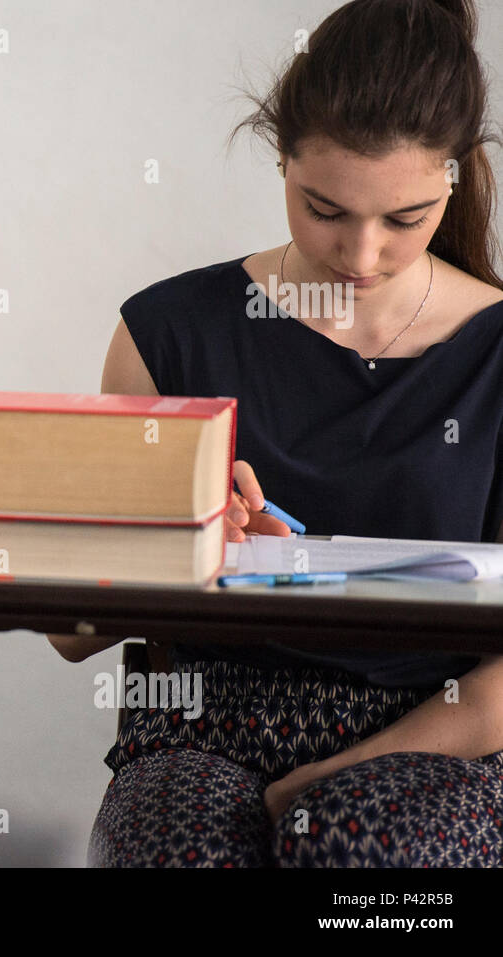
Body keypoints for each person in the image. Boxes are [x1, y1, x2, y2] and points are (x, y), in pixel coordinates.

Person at [63, 0, 503, 866]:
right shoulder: (168, 334)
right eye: (324, 208)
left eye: (404, 220)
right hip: (194, 724)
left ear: (454, 179)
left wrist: (322, 780)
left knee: (348, 846)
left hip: (440, 736)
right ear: (281, 158)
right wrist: (177, 546)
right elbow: (68, 632)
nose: (363, 255)